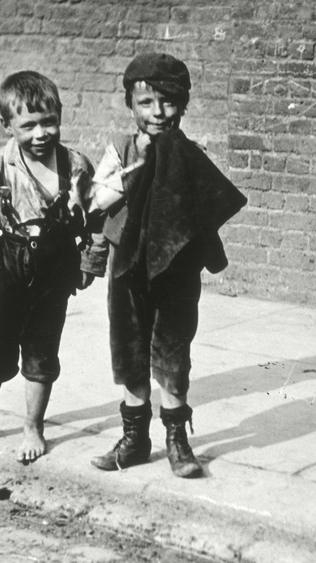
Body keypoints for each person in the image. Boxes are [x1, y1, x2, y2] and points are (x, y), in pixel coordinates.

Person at [88, 52, 246, 478]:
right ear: (130, 105)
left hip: (175, 267)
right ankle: (135, 439)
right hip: (127, 264)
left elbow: (205, 207)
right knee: (129, 347)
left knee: (173, 351)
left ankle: (177, 440)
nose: (158, 113)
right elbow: (97, 200)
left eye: (168, 103)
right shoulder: (120, 149)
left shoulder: (190, 153)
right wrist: (135, 164)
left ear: (183, 105)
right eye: (146, 104)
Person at [0, 71, 105, 466]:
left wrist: (89, 263)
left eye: (49, 122)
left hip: (53, 270)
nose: (41, 133)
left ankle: (32, 427)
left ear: (60, 117)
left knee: (42, 349)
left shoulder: (74, 166)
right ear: (8, 126)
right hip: (6, 265)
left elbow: (96, 219)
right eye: (29, 126)